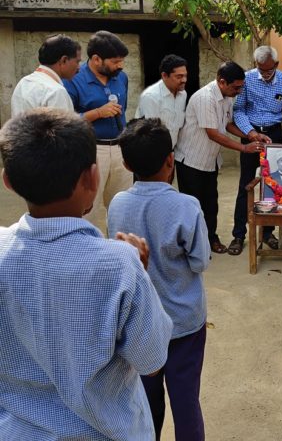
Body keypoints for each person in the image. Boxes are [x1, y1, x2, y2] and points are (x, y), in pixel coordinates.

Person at [0, 109, 173, 440]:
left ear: (8, 182)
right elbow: (151, 359)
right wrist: (141, 273)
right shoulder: (121, 265)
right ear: (93, 178)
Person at [108, 118, 210, 441]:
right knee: (186, 403)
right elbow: (199, 261)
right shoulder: (187, 206)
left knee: (144, 404)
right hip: (184, 323)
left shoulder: (118, 204)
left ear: (126, 164)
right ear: (171, 160)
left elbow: (120, 255)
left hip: (138, 323)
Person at [175, 61, 261, 255]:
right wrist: (243, 147)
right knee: (192, 206)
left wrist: (251, 134)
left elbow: (228, 124)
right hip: (191, 160)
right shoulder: (205, 98)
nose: (239, 91)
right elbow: (213, 133)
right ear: (222, 82)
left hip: (210, 161)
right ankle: (193, 246)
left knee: (211, 204)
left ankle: (211, 238)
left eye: (241, 86)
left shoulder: (228, 96)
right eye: (236, 87)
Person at [229, 45, 282, 255]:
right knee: (246, 185)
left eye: (269, 70)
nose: (265, 75)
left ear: (277, 65)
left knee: (273, 185)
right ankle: (238, 235)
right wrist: (250, 132)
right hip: (252, 135)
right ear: (256, 65)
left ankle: (267, 233)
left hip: (274, 135)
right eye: (262, 70)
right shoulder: (247, 79)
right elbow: (239, 110)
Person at [64, 30, 133, 230]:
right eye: (115, 61)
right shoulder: (73, 80)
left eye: (122, 61)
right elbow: (66, 119)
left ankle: (121, 253)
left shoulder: (122, 78)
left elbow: (124, 109)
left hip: (120, 148)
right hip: (91, 150)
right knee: (88, 208)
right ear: (96, 59)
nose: (120, 66)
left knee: (123, 207)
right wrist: (97, 113)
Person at [11, 33, 80, 116]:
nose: (79, 67)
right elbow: (64, 128)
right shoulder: (56, 92)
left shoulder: (23, 83)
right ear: (64, 60)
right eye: (77, 61)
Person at [134, 54, 188, 148]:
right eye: (179, 76)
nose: (184, 80)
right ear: (164, 75)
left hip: (170, 152)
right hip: (152, 151)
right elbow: (150, 133)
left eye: (185, 76)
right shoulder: (151, 97)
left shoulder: (183, 94)